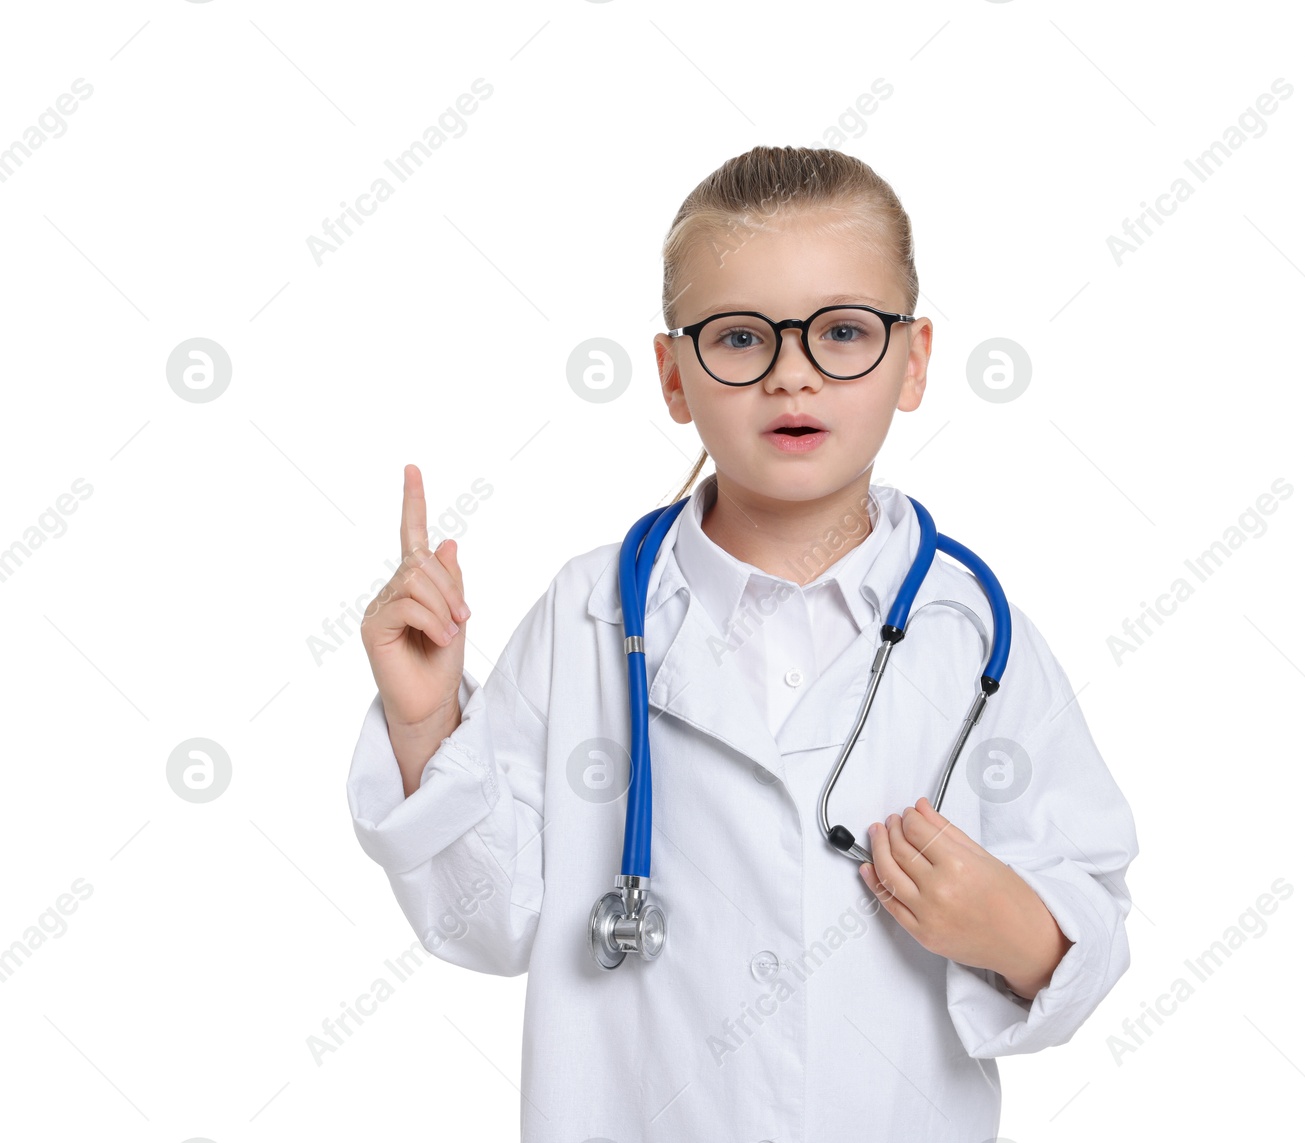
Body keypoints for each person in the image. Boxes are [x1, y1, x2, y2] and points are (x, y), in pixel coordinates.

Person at [347, 144, 1138, 1142]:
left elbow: (1091, 905)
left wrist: (1017, 932)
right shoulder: (591, 611)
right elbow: (491, 920)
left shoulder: (971, 630)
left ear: (915, 360)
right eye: (738, 339)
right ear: (675, 375)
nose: (791, 374)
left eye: (843, 331)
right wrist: (426, 724)